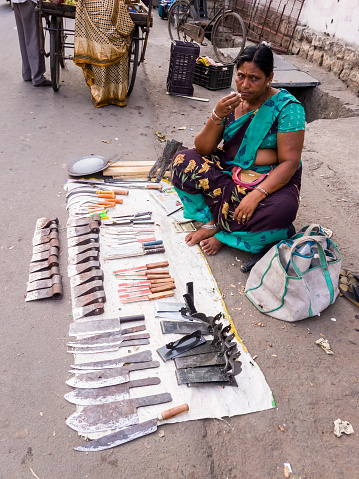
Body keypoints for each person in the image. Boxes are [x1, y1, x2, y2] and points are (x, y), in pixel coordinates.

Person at [171, 43, 305, 256]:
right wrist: (217, 115)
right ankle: (214, 222)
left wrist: (257, 195)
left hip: (268, 180)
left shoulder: (289, 109)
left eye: (254, 78)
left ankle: (223, 234)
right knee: (181, 162)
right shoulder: (232, 104)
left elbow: (289, 162)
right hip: (228, 171)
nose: (245, 85)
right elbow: (203, 149)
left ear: (269, 77)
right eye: (240, 76)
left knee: (281, 211)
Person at [74, 0, 134, 107]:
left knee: (99, 49)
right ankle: (118, 96)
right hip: (113, 33)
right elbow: (124, 27)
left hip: (96, 40)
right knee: (123, 39)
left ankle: (101, 96)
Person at [12, 0, 52, 87]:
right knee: (33, 37)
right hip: (28, 2)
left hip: (16, 2)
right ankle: (37, 77)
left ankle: (28, 73)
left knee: (23, 36)